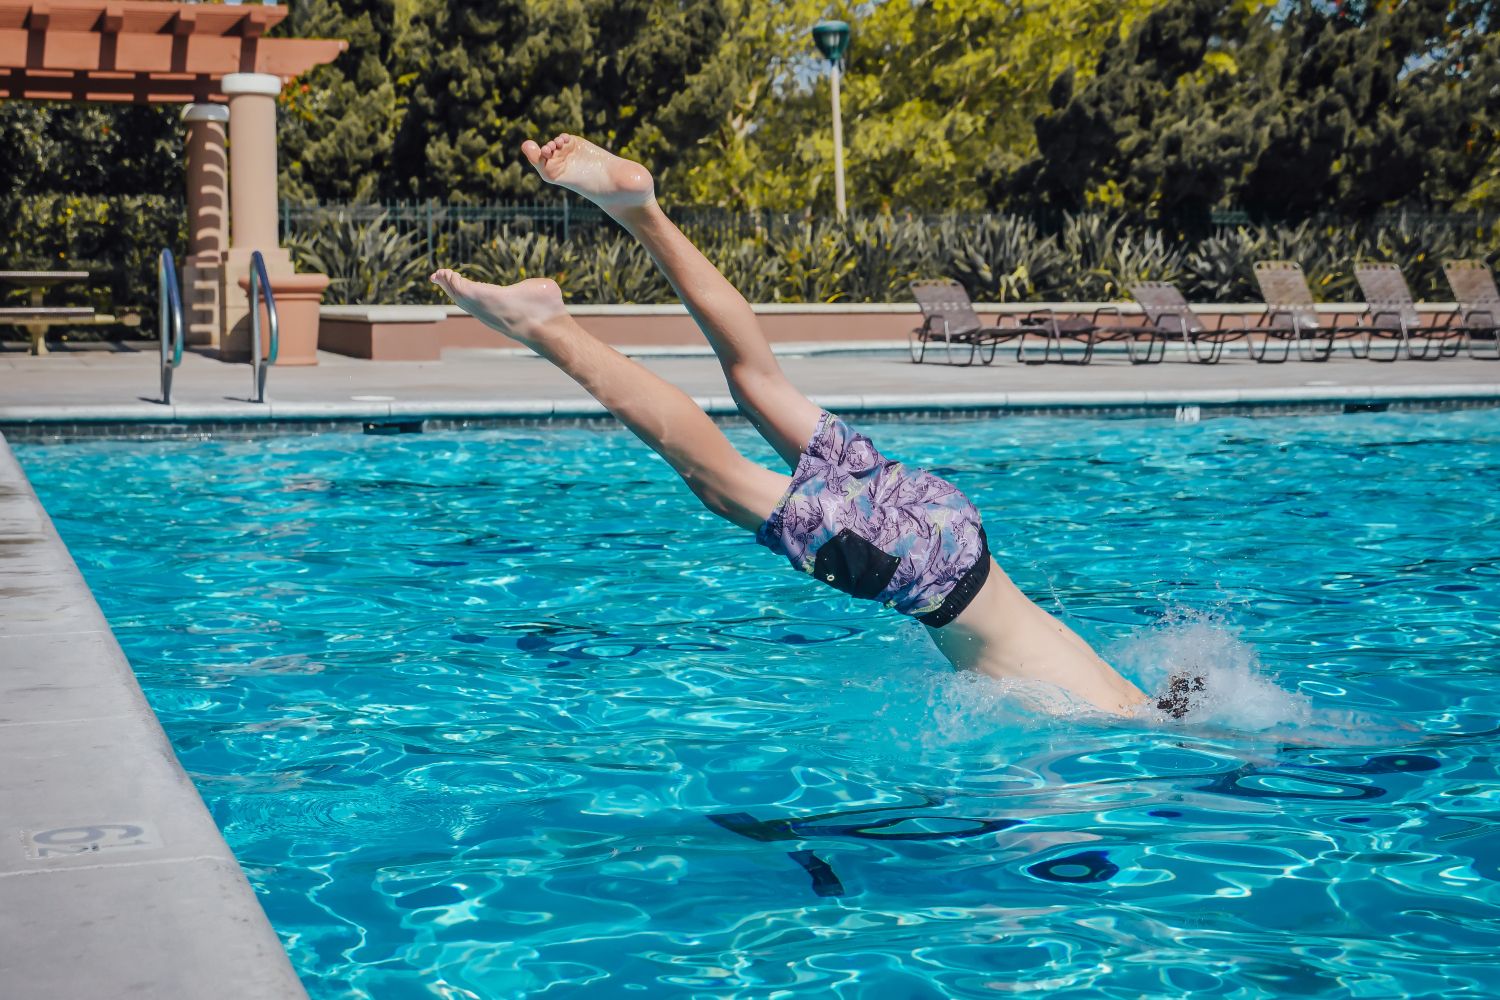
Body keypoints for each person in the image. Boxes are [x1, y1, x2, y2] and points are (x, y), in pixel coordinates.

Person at [431, 134, 1163, 718]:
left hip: (948, 524)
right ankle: (550, 327)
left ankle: (638, 208)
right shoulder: (1116, 727)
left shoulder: (1132, 694)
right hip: (927, 570)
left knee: (760, 385)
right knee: (719, 480)